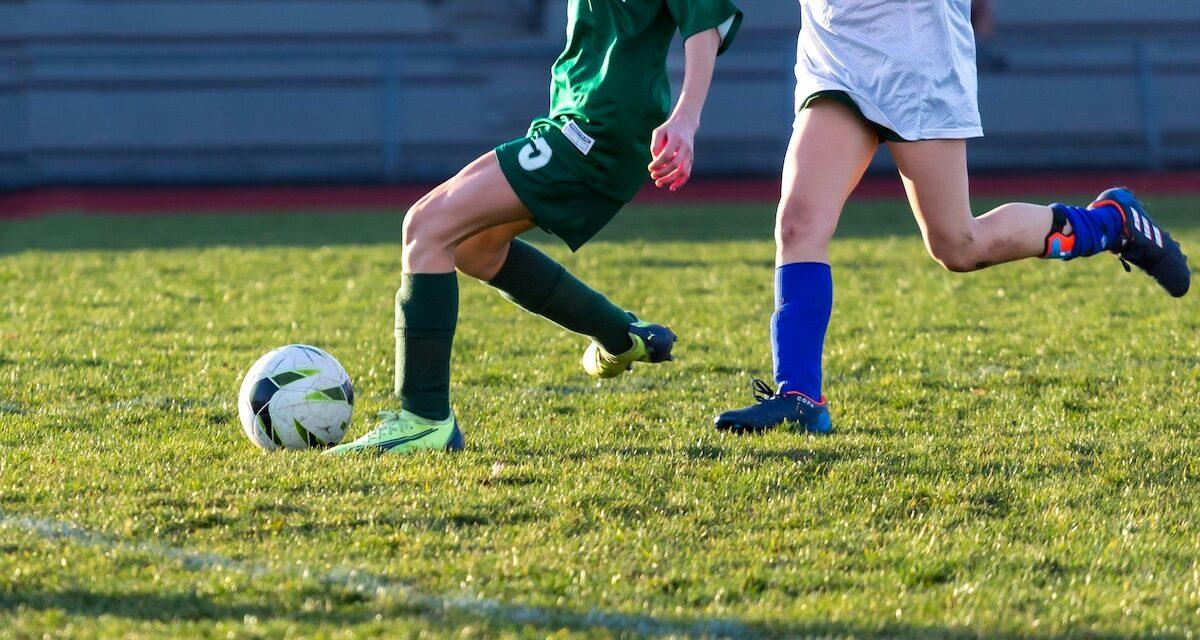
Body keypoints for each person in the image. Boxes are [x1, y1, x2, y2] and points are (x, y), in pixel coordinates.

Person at [714, 0, 1190, 434]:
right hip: (836, 58)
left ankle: (1108, 223)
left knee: (959, 245)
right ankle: (799, 396)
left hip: (917, 58)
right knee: (797, 224)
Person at [327, 0, 744, 455]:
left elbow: (707, 20)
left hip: (597, 133)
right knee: (473, 249)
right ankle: (621, 334)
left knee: (425, 226)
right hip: (576, 125)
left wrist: (687, 117)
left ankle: (424, 418)